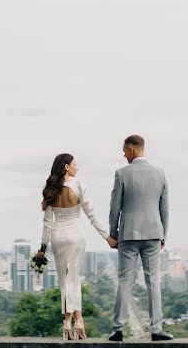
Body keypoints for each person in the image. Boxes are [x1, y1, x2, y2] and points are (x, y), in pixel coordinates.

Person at [37, 153, 118, 340]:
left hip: (58, 236)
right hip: (76, 235)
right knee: (74, 278)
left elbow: (47, 222)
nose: (77, 167)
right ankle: (78, 321)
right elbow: (91, 215)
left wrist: (43, 248)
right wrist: (107, 237)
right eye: (74, 164)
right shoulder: (80, 186)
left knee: (65, 280)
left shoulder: (50, 189)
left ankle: (67, 322)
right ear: (66, 166)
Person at [108, 135, 172, 341]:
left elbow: (115, 207)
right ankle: (157, 329)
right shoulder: (159, 173)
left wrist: (113, 233)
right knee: (153, 281)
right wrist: (163, 235)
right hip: (154, 233)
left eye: (124, 150)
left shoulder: (122, 174)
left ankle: (117, 329)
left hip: (128, 234)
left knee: (125, 281)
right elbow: (164, 208)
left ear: (132, 149)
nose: (123, 154)